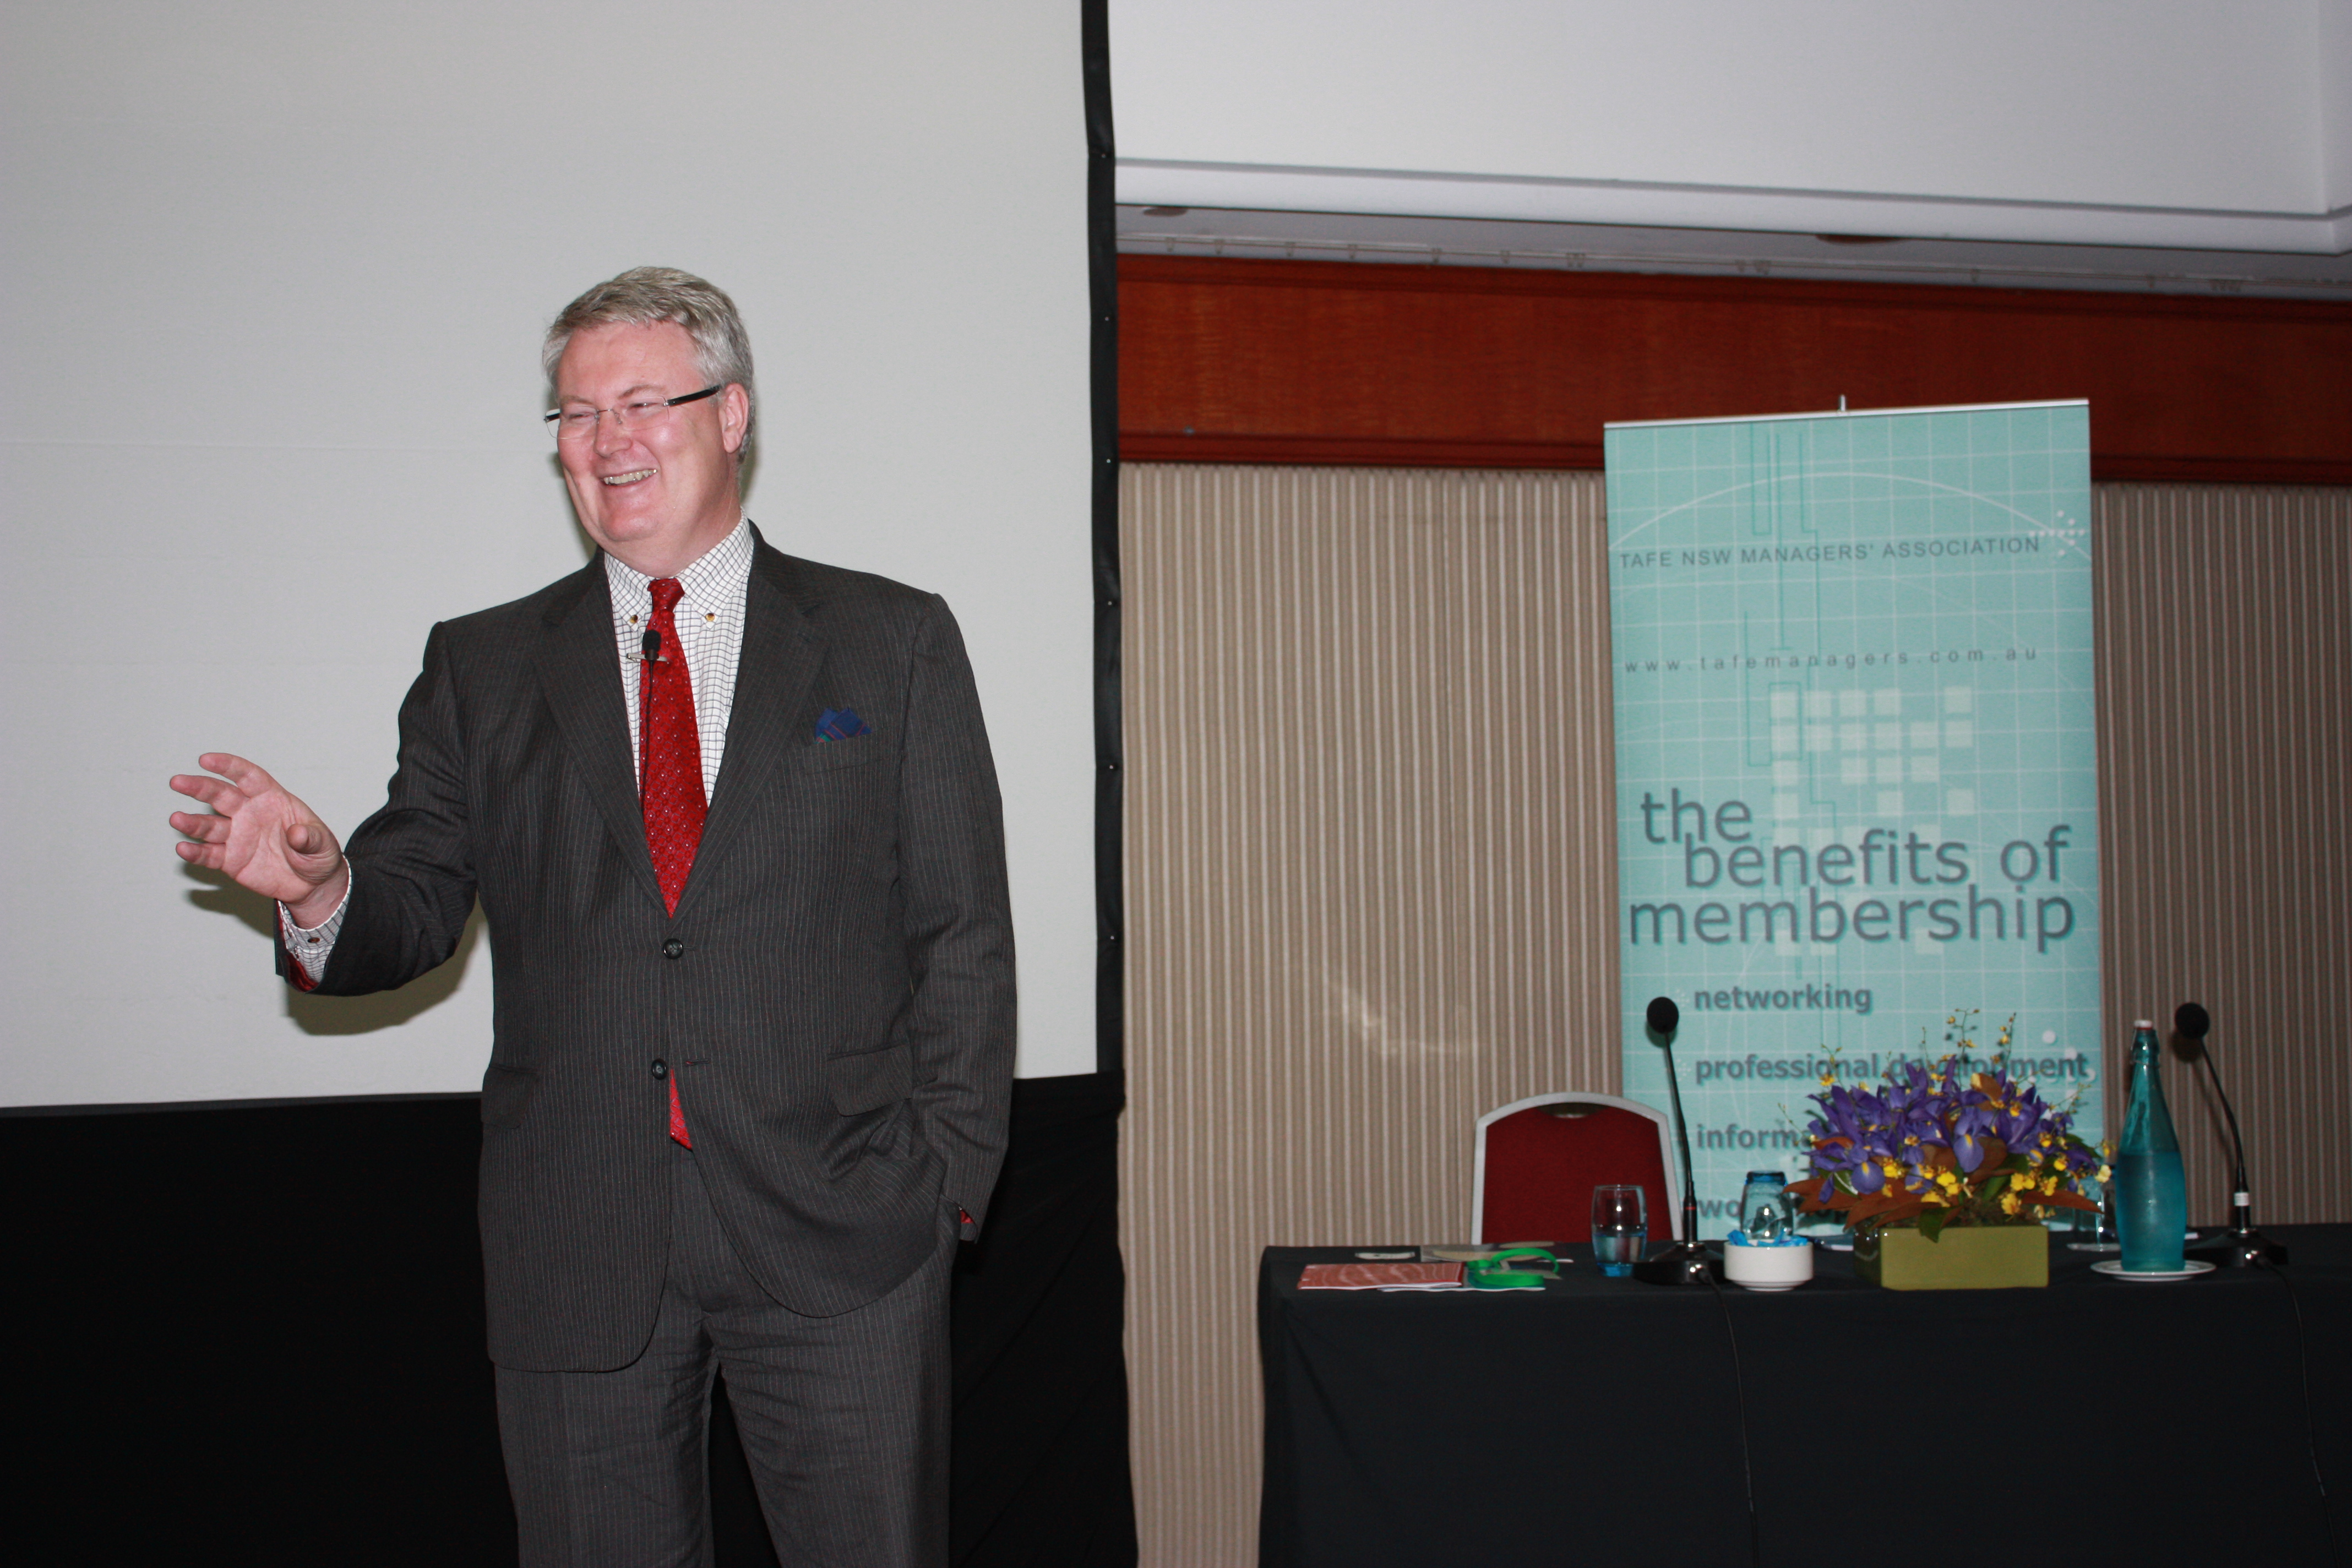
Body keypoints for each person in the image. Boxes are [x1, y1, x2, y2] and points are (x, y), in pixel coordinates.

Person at [167, 266, 1015, 1567]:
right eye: (574, 414)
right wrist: (324, 884)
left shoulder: (889, 640)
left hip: (845, 1233)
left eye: (641, 402)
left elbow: (960, 932)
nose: (607, 439)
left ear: (731, 413)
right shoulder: (484, 665)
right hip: (578, 1238)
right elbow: (411, 901)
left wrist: (945, 1191)